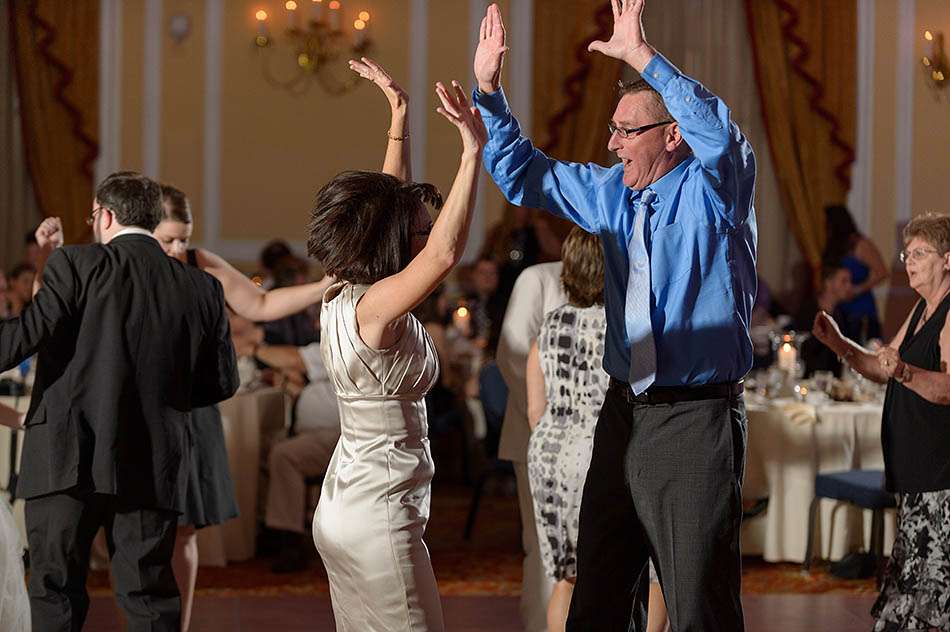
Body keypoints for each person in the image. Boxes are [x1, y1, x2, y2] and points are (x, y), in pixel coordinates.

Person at [473, 1, 756, 629]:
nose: (613, 142)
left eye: (629, 130)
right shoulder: (610, 194)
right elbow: (523, 174)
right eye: (613, 128)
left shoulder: (717, 190)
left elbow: (718, 131)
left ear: (671, 133)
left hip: (696, 413)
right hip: (623, 407)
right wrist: (489, 91)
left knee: (695, 604)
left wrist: (641, 57)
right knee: (598, 592)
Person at [1, 171, 238, 631]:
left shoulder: (74, 265)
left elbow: (27, 335)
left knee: (55, 593)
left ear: (105, 216)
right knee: (148, 596)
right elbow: (221, 383)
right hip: (152, 459)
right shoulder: (201, 287)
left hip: (63, 456)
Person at [307, 60, 486, 630]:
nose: (426, 232)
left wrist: (400, 118)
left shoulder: (345, 289)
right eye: (419, 227)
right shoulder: (378, 307)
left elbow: (388, 208)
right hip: (377, 516)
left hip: (349, 503)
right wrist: (471, 152)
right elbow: (441, 255)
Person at [151, 184, 334, 630]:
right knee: (143, 533)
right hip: (145, 410)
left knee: (187, 529)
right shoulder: (127, 266)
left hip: (193, 409)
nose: (177, 250)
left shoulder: (199, 263)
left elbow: (262, 304)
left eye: (184, 238)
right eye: (167, 240)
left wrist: (325, 285)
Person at [812, 213, 950, 632]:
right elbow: (881, 365)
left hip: (940, 476)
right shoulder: (922, 310)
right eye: (907, 253)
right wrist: (840, 344)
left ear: (948, 260)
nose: (909, 261)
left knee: (931, 602)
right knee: (909, 596)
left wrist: (905, 372)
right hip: (915, 473)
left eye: (921, 253)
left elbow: (946, 388)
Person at [525, 227, 667, 632]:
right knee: (653, 576)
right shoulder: (628, 327)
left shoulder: (550, 326)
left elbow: (536, 409)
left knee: (568, 580)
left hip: (551, 458)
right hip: (608, 454)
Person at [495, 258, 566, 631]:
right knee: (544, 548)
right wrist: (548, 420)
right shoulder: (538, 278)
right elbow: (511, 354)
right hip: (537, 434)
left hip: (599, 440)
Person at [234, 334, 342, 574]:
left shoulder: (340, 342)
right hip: (321, 433)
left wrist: (254, 349)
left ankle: (289, 539)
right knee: (263, 448)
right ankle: (269, 525)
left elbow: (296, 359)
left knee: (284, 455)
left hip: (339, 437)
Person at [823, 204, 887, 343]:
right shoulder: (834, 245)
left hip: (860, 308)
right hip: (840, 309)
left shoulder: (860, 244)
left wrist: (857, 289)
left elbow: (882, 272)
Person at [793, 263, 853, 377]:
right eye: (844, 281)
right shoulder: (808, 312)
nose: (849, 286)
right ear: (828, 283)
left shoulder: (841, 315)